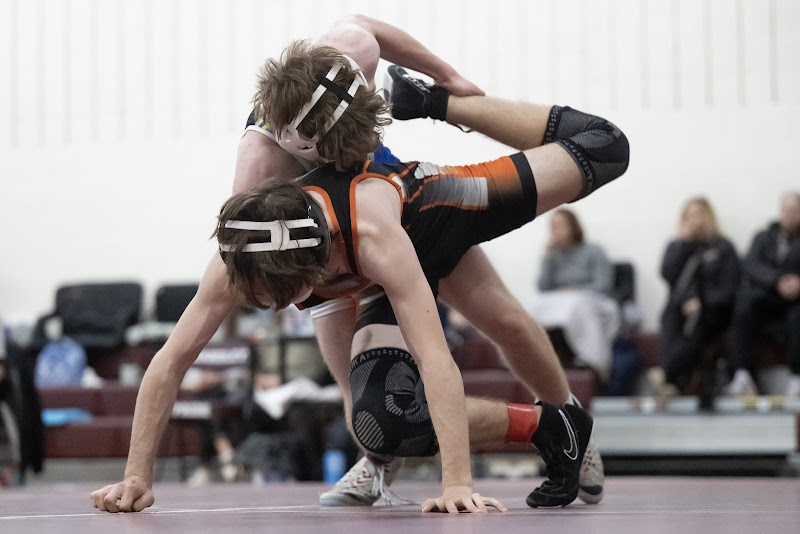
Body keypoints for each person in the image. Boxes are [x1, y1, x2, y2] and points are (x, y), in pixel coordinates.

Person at [89, 16, 609, 513]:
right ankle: (380, 458)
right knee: (369, 416)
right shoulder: (254, 198)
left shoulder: (340, 66)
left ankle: (566, 421)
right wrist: (137, 474)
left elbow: (434, 358)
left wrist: (445, 82)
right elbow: (171, 359)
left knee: (509, 320)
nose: (364, 147)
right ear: (301, 142)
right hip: (331, 248)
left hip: (408, 214)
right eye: (349, 149)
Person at [656, 198, 740, 396]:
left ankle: (668, 374)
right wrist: (682, 245)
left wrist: (701, 303)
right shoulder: (677, 246)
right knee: (669, 314)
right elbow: (668, 275)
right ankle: (670, 379)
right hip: (681, 307)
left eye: (697, 215)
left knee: (697, 324)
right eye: (688, 216)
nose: (694, 221)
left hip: (714, 311)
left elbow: (730, 287)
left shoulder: (723, 247)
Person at [527, 209, 620, 381]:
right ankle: (529, 358)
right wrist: (547, 258)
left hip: (588, 298)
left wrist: (575, 291)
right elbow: (543, 287)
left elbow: (603, 284)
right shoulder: (554, 255)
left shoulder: (594, 251)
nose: (557, 231)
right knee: (532, 304)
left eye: (561, 226)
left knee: (577, 305)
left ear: (573, 226)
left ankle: (591, 358)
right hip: (560, 300)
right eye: (553, 227)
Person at [726, 192, 800, 399]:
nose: (789, 215)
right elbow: (750, 265)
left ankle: (797, 378)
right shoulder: (763, 237)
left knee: (797, 318)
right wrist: (776, 280)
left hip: (796, 302)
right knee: (742, 308)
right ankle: (742, 375)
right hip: (767, 297)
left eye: (795, 211)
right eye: (786, 210)